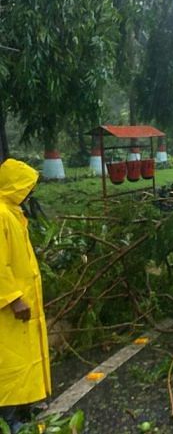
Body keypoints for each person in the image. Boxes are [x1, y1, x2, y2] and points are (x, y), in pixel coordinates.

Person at [0, 159, 51, 430]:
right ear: (15, 186)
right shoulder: (1, 215)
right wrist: (13, 298)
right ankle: (6, 420)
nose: (30, 192)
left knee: (24, 358)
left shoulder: (13, 213)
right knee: (9, 365)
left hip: (22, 304)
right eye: (27, 186)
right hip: (9, 309)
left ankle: (24, 408)